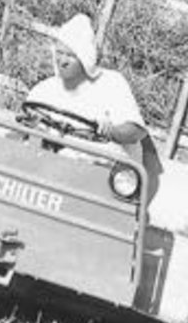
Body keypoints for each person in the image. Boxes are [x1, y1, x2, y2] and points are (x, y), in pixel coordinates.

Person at [26, 14, 159, 194]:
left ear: (84, 57)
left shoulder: (111, 84)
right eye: (60, 53)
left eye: (70, 55)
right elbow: (27, 125)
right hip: (53, 170)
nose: (62, 61)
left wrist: (112, 131)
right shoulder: (44, 90)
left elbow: (136, 131)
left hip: (101, 173)